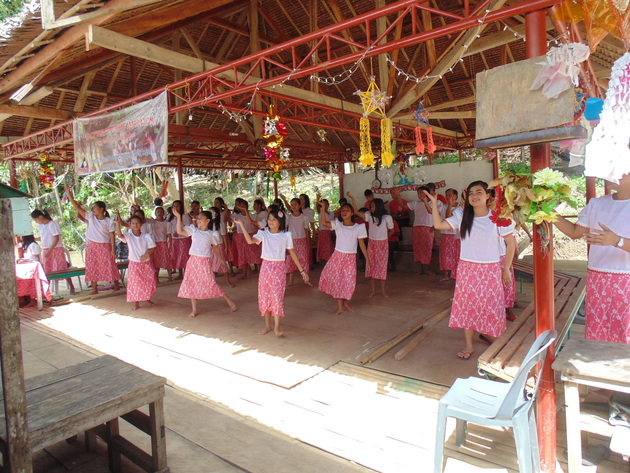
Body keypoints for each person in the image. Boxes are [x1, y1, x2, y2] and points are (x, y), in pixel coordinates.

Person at [426, 181, 515, 360]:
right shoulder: (462, 216)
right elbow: (438, 225)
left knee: (492, 306)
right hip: (467, 268)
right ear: (467, 196)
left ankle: (493, 337)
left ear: (488, 195)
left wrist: (505, 269)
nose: (475, 196)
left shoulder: (497, 217)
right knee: (468, 307)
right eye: (472, 192)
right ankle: (469, 345)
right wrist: (435, 204)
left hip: (490, 268)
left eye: (479, 192)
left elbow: (511, 243)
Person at [553, 172, 630, 344]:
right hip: (598, 279)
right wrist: (547, 212)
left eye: (617, 168)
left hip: (627, 281)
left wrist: (617, 241)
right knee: (598, 333)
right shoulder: (597, 204)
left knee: (625, 335)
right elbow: (575, 232)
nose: (610, 174)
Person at [234, 209, 308, 336]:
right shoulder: (263, 233)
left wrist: (302, 270)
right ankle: (267, 326)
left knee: (277, 297)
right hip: (266, 268)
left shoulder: (286, 235)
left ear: (280, 221)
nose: (271, 221)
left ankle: (277, 328)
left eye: (274, 219)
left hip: (279, 268)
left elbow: (292, 252)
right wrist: (241, 226)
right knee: (265, 296)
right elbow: (250, 241)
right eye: (269, 219)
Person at [172, 207, 236, 318]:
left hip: (205, 260)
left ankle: (229, 300)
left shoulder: (213, 234)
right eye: (198, 218)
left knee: (210, 282)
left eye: (201, 218)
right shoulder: (194, 230)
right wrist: (178, 217)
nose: (198, 220)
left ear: (207, 220)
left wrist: (221, 259)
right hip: (193, 260)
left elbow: (216, 247)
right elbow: (179, 231)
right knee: (191, 282)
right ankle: (194, 309)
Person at [317, 196, 370, 316]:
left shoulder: (359, 227)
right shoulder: (338, 224)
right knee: (337, 281)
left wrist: (367, 259)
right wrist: (323, 208)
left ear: (352, 213)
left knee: (349, 282)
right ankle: (340, 306)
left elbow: (361, 244)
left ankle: (345, 301)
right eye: (342, 210)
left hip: (350, 258)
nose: (344, 212)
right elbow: (324, 222)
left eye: (347, 210)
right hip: (337, 256)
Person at [65, 185, 120, 294]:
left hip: (105, 245)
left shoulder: (109, 221)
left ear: (101, 209)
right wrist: (69, 194)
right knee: (92, 266)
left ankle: (116, 285)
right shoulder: (91, 217)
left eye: (94, 207)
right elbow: (78, 209)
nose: (92, 209)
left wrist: (113, 249)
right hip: (92, 246)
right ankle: (95, 289)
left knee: (110, 265)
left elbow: (112, 236)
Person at [347, 193, 394, 298]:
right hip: (372, 243)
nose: (371, 208)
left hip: (382, 245)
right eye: (370, 206)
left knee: (382, 267)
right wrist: (353, 198)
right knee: (371, 266)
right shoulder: (369, 216)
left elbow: (392, 230)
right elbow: (356, 212)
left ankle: (383, 291)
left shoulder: (387, 217)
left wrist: (384, 238)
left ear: (378, 207)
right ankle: (373, 290)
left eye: (372, 206)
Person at [395, 184, 442, 275]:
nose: (419, 194)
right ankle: (419, 269)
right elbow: (403, 206)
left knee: (427, 249)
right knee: (417, 249)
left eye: (421, 192)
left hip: (428, 227)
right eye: (418, 193)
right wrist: (398, 196)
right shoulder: (416, 203)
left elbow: (432, 212)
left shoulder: (435, 202)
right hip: (417, 228)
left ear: (427, 193)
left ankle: (427, 269)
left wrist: (425, 201)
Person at [115, 213, 156, 310]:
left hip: (146, 262)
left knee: (147, 281)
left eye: (137, 223)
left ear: (141, 224)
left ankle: (146, 297)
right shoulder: (128, 236)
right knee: (135, 283)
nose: (135, 225)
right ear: (130, 225)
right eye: (133, 223)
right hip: (134, 263)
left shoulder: (146, 236)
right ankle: (136, 302)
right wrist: (117, 224)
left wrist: (146, 255)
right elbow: (119, 235)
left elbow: (153, 248)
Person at [31, 209, 75, 293]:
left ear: (40, 217)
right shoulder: (41, 226)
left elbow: (56, 237)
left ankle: (71, 286)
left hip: (55, 249)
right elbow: (44, 237)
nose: (36, 222)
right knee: (47, 269)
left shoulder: (52, 224)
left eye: (36, 220)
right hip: (46, 249)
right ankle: (47, 290)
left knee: (61, 268)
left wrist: (50, 250)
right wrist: (34, 239)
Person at [284, 197, 313, 287]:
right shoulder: (289, 217)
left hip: (302, 241)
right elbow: (286, 230)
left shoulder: (304, 217)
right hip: (291, 241)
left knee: (303, 259)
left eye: (295, 204)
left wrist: (308, 242)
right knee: (290, 260)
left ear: (300, 205)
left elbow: (307, 230)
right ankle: (291, 280)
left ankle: (306, 279)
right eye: (292, 205)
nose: (293, 206)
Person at [208, 207, 234, 288]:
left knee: (222, 263)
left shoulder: (220, 223)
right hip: (211, 246)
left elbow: (223, 236)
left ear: (216, 214)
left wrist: (226, 247)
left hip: (219, 245)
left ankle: (228, 282)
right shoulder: (208, 224)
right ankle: (211, 282)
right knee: (211, 264)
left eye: (211, 212)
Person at [438, 189, 460, 282]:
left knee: (456, 255)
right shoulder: (443, 206)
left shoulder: (460, 207)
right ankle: (446, 275)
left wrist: (451, 205)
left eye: (450, 195)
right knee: (445, 255)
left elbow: (449, 217)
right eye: (446, 195)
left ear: (455, 196)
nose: (448, 197)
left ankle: (457, 275)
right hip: (445, 234)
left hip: (456, 235)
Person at [149, 206, 174, 282]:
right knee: (156, 261)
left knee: (167, 259)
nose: (159, 213)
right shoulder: (152, 222)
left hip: (163, 243)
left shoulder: (167, 223)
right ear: (155, 213)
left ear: (163, 213)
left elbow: (169, 235)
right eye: (158, 212)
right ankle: (156, 278)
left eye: (161, 212)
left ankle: (170, 277)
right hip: (155, 243)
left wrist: (170, 245)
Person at [168, 200, 192, 280]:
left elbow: (188, 227)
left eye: (178, 206)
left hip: (183, 239)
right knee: (177, 256)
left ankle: (186, 274)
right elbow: (168, 228)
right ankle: (180, 273)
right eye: (174, 206)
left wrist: (179, 232)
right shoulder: (169, 217)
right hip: (174, 239)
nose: (176, 208)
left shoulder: (185, 216)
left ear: (181, 207)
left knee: (184, 256)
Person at [316, 199, 334, 263]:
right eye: (323, 204)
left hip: (329, 231)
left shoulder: (331, 213)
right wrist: (317, 199)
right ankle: (323, 260)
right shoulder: (321, 212)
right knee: (323, 247)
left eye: (326, 204)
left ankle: (328, 260)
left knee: (329, 247)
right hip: (322, 231)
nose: (325, 205)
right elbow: (317, 207)